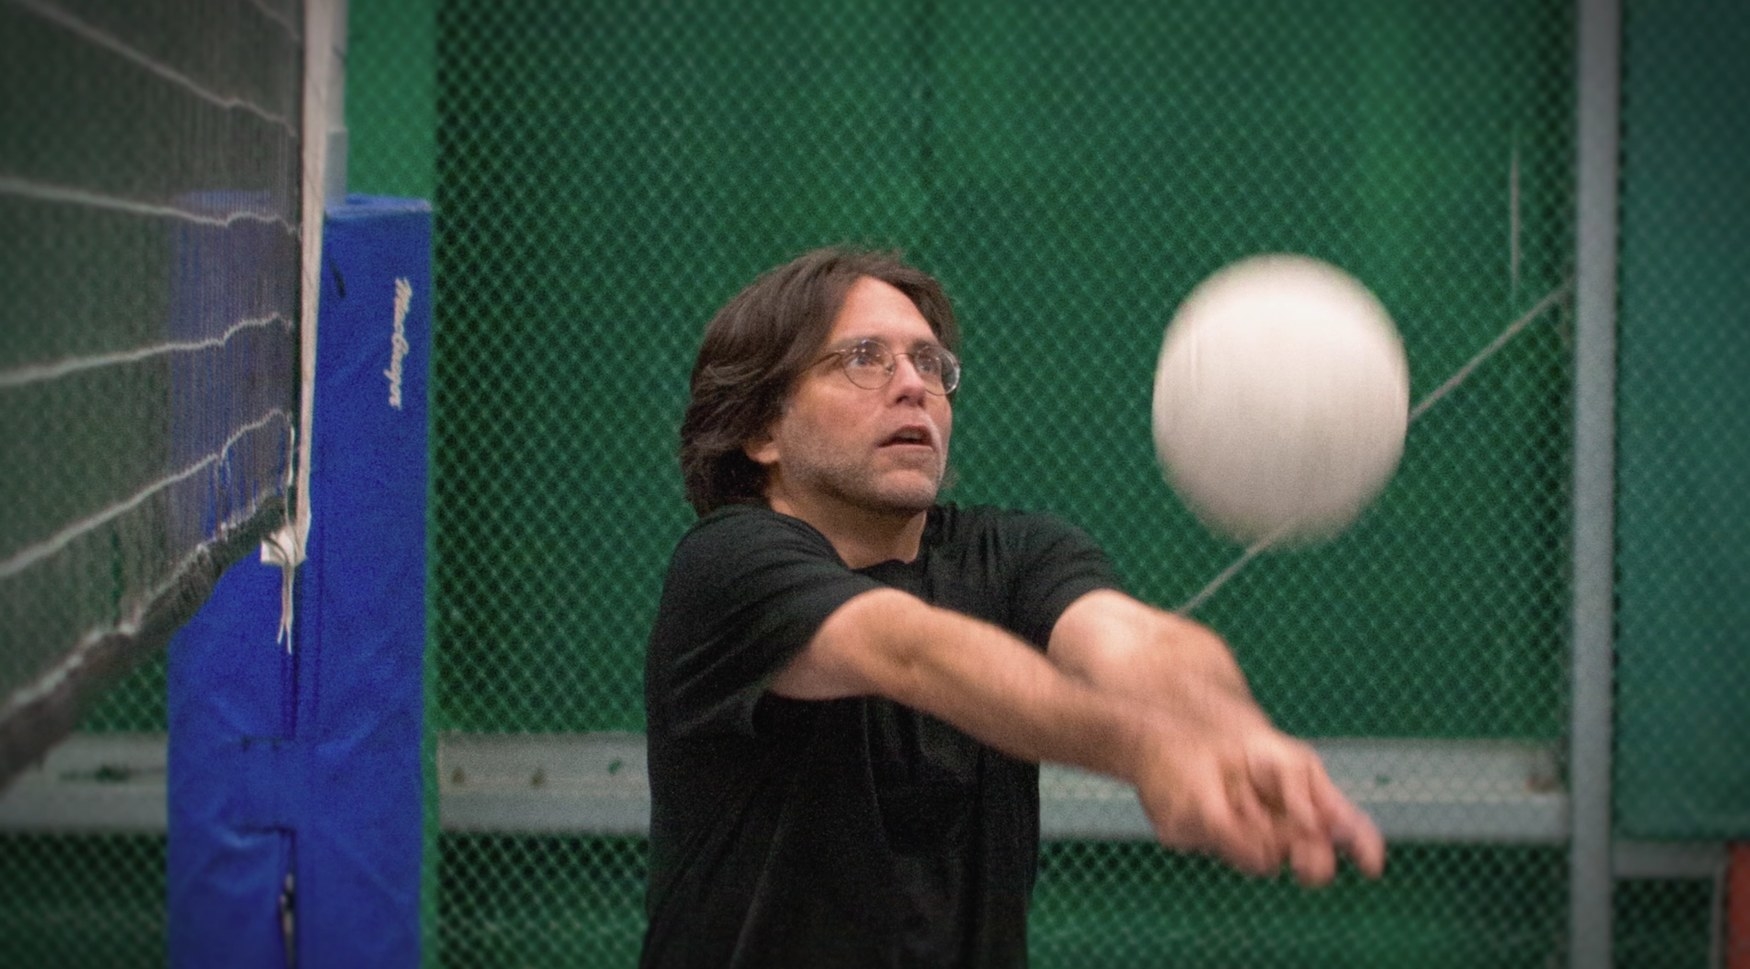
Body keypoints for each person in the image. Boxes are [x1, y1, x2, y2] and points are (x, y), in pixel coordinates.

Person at [640, 246, 1386, 967]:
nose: (913, 386)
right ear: (761, 429)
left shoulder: (1014, 552)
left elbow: (1133, 643)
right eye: (864, 357)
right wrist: (1149, 751)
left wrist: (1228, 731)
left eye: (930, 362)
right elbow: (909, 651)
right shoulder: (728, 566)